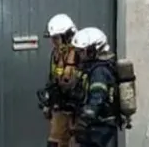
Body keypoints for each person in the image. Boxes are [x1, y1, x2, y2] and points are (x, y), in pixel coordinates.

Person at [70, 27, 119, 147]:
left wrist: (86, 117)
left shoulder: (99, 71)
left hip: (100, 123)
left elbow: (98, 96)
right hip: (96, 123)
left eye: (82, 51)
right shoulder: (91, 67)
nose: (79, 55)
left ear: (93, 50)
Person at [40, 13, 79, 147]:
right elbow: (53, 79)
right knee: (54, 143)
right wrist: (48, 102)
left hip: (78, 111)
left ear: (67, 36)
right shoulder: (56, 55)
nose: (53, 42)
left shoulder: (81, 53)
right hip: (60, 108)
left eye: (56, 38)